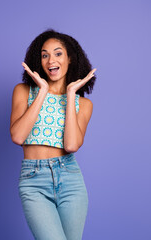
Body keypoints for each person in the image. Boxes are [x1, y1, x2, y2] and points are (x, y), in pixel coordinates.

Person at [10, 29, 96, 240]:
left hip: (70, 179)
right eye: (44, 54)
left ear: (69, 59)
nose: (51, 60)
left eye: (58, 53)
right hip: (33, 180)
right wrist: (42, 91)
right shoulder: (23, 91)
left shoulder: (82, 104)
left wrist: (69, 95)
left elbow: (72, 145)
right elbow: (18, 137)